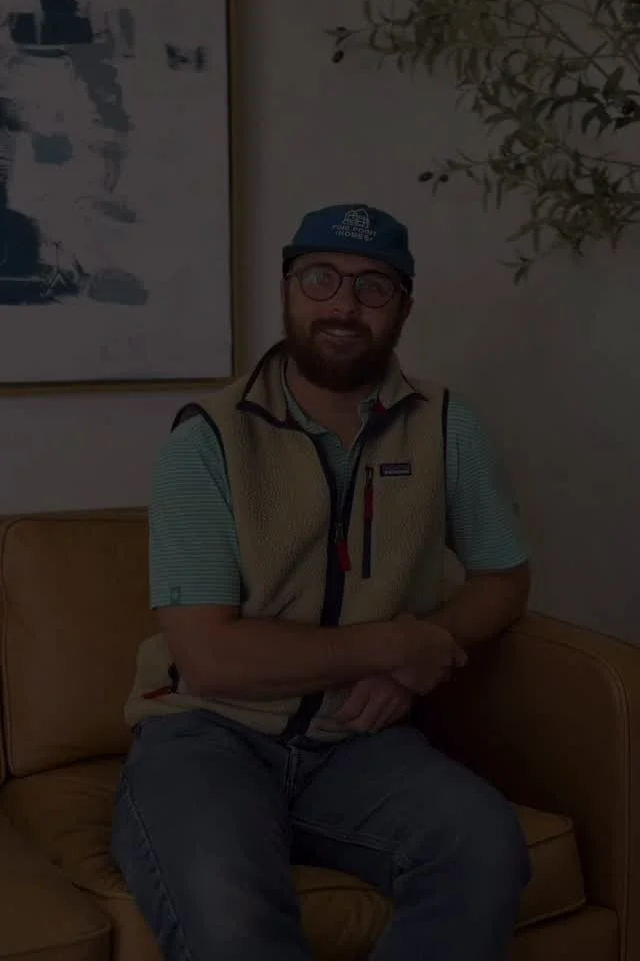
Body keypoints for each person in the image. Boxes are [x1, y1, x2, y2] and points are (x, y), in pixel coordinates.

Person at [112, 203, 532, 960]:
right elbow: (210, 658)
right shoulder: (207, 438)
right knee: (231, 916)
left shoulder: (446, 425)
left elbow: (504, 578)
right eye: (320, 278)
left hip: (359, 743)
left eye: (373, 286)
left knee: (485, 843)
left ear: (403, 306)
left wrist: (426, 645)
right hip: (206, 737)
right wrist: (392, 645)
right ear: (287, 290)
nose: (344, 304)